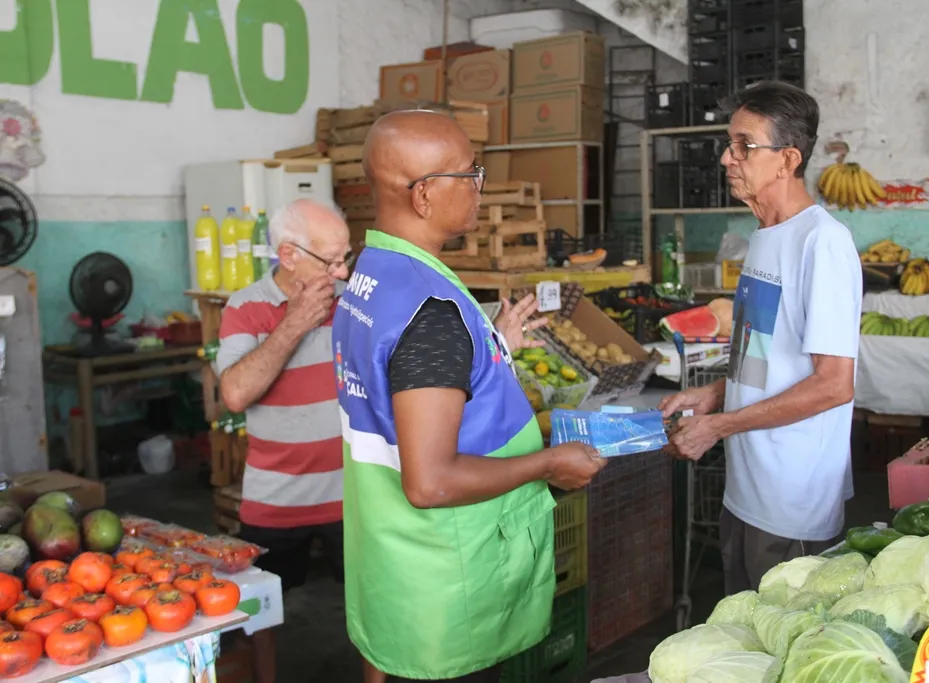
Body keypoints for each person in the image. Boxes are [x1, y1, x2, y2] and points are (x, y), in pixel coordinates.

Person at [332, 110, 607, 683]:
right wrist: (549, 464)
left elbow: (399, 383)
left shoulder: (375, 273)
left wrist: (489, 344)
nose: (479, 185)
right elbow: (430, 482)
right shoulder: (430, 312)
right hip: (445, 588)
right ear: (426, 195)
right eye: (469, 173)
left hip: (393, 563)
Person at [660, 81, 861, 594]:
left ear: (787, 159)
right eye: (730, 144)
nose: (729, 158)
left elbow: (834, 385)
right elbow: (762, 360)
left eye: (745, 146)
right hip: (746, 486)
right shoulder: (766, 236)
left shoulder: (823, 244)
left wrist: (719, 427)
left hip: (791, 499)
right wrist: (713, 396)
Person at [215, 198, 355, 683]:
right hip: (275, 496)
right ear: (289, 254)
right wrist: (294, 321)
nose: (341, 271)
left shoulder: (353, 302)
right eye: (331, 260)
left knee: (372, 603)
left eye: (346, 258)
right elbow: (234, 392)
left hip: (352, 493)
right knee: (261, 612)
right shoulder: (246, 308)